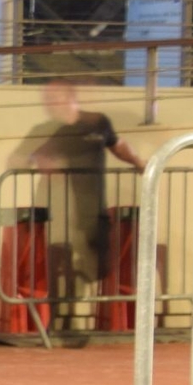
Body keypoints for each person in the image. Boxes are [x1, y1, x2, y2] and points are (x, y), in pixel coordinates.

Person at [14, 81, 146, 286]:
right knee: (54, 270)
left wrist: (139, 162)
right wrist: (36, 158)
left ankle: (106, 313)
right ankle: (55, 314)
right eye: (46, 100)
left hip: (92, 212)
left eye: (52, 99)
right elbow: (16, 159)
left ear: (69, 97)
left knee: (104, 269)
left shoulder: (97, 122)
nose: (48, 105)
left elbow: (117, 145)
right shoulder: (43, 130)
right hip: (56, 215)